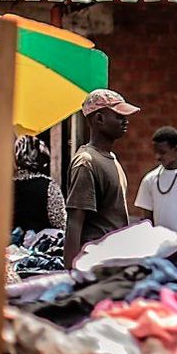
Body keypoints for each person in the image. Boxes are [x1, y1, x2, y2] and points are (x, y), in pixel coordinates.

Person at [63, 89, 139, 269]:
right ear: (99, 119)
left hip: (113, 261)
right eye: (119, 115)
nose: (125, 121)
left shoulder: (110, 158)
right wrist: (70, 273)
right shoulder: (87, 163)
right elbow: (74, 222)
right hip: (95, 264)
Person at [13, 135, 65, 232]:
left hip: (9, 244)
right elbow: (59, 222)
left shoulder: (5, 187)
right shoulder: (49, 186)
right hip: (40, 244)